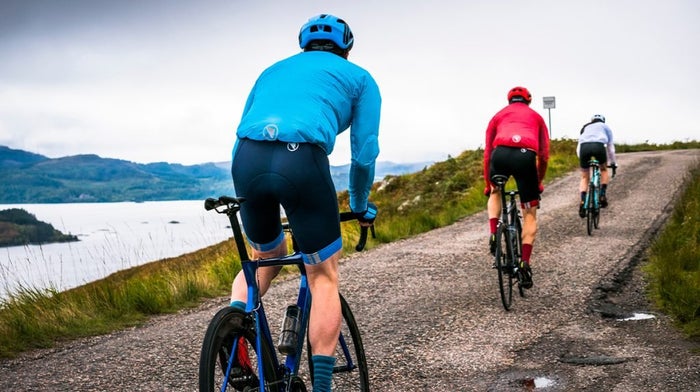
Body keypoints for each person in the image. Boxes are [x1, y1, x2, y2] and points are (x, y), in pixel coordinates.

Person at [229, 14, 381, 392]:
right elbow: (363, 155)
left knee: (264, 259)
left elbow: (240, 132)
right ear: (346, 47)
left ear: (303, 45)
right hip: (302, 161)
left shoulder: (271, 71)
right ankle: (323, 387)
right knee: (323, 275)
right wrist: (360, 205)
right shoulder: (361, 79)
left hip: (246, 159)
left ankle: (234, 346)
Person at [483, 86, 550, 289]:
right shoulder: (537, 117)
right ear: (528, 100)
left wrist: (488, 184)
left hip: (500, 154)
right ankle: (524, 264)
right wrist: (537, 181)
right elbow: (544, 155)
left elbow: (487, 153)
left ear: (509, 100)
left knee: (496, 192)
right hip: (525, 156)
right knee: (529, 213)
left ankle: (494, 231)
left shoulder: (498, 116)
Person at [577, 114, 617, 217]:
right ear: (603, 121)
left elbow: (579, 145)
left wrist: (581, 159)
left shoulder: (585, 127)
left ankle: (582, 201)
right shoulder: (605, 127)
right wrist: (613, 162)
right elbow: (610, 147)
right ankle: (602, 195)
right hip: (598, 146)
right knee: (603, 170)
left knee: (585, 177)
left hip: (584, 148)